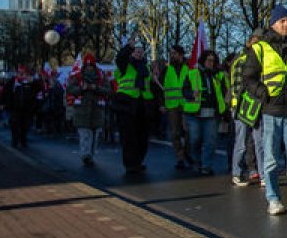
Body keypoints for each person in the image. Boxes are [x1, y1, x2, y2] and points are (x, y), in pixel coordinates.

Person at [243, 5, 287, 216]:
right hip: (272, 110)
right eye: (282, 21)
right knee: (272, 157)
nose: (286, 25)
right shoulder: (260, 49)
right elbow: (249, 78)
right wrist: (263, 94)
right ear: (273, 23)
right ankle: (273, 200)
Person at [114, 39, 157, 175]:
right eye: (136, 51)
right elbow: (120, 57)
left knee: (142, 137)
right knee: (129, 136)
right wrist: (129, 46)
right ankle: (130, 164)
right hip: (127, 104)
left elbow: (151, 86)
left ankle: (138, 161)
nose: (138, 53)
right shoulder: (125, 64)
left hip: (143, 104)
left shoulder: (146, 67)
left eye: (141, 51)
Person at [230, 29, 266, 187]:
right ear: (249, 43)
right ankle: (237, 173)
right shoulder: (241, 60)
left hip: (257, 105)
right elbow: (238, 87)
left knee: (260, 142)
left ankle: (263, 175)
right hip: (243, 106)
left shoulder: (261, 61)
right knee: (242, 141)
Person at [184, 49, 227, 175]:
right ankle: (196, 161)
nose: (211, 63)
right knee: (195, 139)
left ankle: (206, 166)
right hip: (195, 113)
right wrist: (192, 94)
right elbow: (184, 90)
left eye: (213, 61)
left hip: (212, 113)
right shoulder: (192, 74)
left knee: (210, 142)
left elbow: (224, 91)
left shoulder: (218, 75)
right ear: (203, 60)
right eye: (209, 60)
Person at [67, 52, 108, 167]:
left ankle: (91, 154)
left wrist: (96, 88)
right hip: (82, 111)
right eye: (87, 65)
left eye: (91, 65)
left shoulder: (101, 76)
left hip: (97, 111)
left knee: (95, 135)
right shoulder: (77, 76)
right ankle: (85, 155)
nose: (89, 67)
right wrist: (81, 88)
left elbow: (108, 90)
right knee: (85, 135)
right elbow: (70, 89)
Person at [161, 45, 193, 170]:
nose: (172, 55)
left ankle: (186, 152)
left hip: (186, 105)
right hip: (172, 105)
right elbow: (159, 87)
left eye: (174, 53)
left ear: (180, 54)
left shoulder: (188, 68)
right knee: (175, 133)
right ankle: (180, 157)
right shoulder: (167, 69)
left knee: (189, 132)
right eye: (171, 53)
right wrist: (161, 104)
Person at [4, 66, 41, 148]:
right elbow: (6, 92)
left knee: (25, 126)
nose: (21, 75)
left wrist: (32, 81)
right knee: (14, 126)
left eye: (23, 73)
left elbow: (39, 88)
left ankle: (23, 140)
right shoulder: (12, 82)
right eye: (19, 73)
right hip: (15, 108)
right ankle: (15, 141)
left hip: (26, 109)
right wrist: (5, 104)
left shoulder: (28, 83)